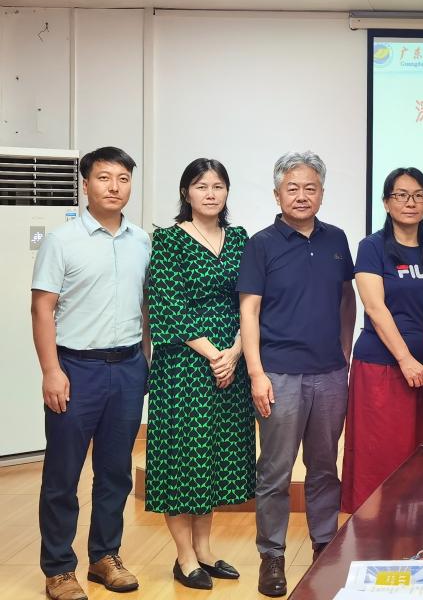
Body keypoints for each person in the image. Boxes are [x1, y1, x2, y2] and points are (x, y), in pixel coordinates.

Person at [30, 147, 150, 600]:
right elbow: (42, 308)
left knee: (116, 472)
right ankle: (59, 569)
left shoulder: (142, 241)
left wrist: (145, 359)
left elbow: (146, 306)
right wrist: (51, 370)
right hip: (75, 369)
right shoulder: (62, 240)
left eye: (123, 178)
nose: (114, 187)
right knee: (63, 475)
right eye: (104, 177)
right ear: (85, 184)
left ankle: (104, 556)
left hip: (128, 367)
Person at [238, 152, 356, 598]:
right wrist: (256, 372)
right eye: (292, 188)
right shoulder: (261, 244)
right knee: (275, 471)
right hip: (279, 375)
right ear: (277, 195)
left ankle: (325, 547)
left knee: (325, 467)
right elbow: (249, 311)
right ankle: (272, 556)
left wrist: (344, 352)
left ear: (322, 193)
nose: (302, 196)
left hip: (329, 374)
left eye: (310, 188)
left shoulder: (336, 239)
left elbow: (347, 298)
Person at [145, 158, 255, 590]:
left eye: (218, 186)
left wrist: (236, 351)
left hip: (232, 358)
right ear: (185, 193)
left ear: (227, 193)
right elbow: (167, 307)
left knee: (211, 457)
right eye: (200, 185)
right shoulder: (169, 240)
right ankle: (184, 556)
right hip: (184, 365)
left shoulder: (240, 238)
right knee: (182, 458)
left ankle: (205, 551)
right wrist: (214, 355)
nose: (210, 193)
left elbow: (252, 300)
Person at [342, 168, 423, 514]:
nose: (410, 202)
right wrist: (405, 360)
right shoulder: (372, 247)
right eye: (401, 195)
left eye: (419, 195)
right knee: (382, 457)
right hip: (384, 368)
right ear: (386, 202)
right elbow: (375, 307)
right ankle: (375, 532)